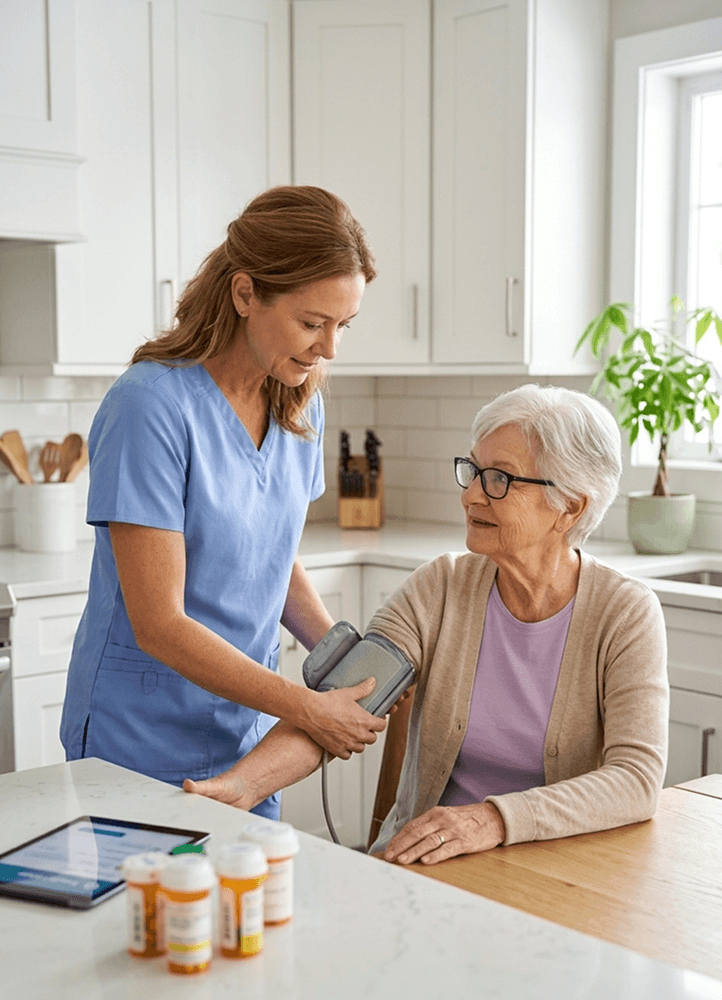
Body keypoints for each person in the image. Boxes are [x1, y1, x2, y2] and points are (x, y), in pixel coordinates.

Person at [184, 384, 669, 860]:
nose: (472, 496)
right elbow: (338, 706)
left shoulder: (625, 615)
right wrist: (243, 786)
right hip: (430, 860)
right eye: (473, 471)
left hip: (558, 874)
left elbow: (635, 779)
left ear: (570, 506)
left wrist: (494, 820)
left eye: (499, 478)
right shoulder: (440, 587)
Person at [59, 185, 387, 819]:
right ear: (245, 295)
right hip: (139, 740)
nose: (329, 349)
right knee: (152, 917)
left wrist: (344, 658)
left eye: (342, 326)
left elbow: (272, 555)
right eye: (312, 323)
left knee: (248, 915)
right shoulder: (149, 406)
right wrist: (308, 707)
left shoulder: (299, 400)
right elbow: (159, 623)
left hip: (248, 738)